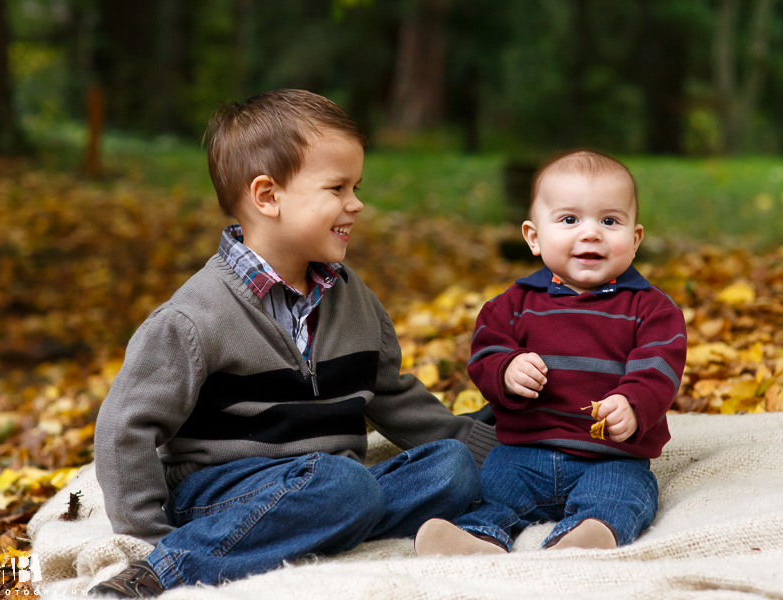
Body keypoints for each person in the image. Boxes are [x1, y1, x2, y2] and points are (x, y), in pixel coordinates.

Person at [89, 89, 497, 597]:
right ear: (267, 196)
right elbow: (123, 427)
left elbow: (393, 396)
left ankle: (313, 527)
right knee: (344, 487)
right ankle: (173, 566)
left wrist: (493, 451)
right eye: (338, 188)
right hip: (222, 491)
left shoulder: (354, 299)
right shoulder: (193, 319)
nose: (357, 203)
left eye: (356, 186)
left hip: (333, 484)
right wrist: (147, 539)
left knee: (450, 469)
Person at [414, 150, 687, 556]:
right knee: (489, 491)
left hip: (610, 456)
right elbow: (486, 352)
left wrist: (633, 404)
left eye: (610, 221)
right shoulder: (511, 305)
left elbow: (658, 368)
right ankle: (477, 538)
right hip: (523, 454)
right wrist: (507, 370)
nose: (591, 233)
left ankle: (587, 536)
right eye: (569, 220)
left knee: (622, 493)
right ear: (534, 237)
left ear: (635, 239)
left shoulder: (651, 309)